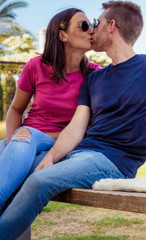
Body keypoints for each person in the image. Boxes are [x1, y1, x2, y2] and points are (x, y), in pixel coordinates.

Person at [0, 1, 146, 239]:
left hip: (113, 162)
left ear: (111, 26)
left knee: (38, 181)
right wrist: (51, 157)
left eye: (96, 23)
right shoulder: (94, 78)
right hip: (79, 154)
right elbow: (76, 127)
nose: (92, 29)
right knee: (15, 166)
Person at [0, 8, 100, 212]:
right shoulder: (36, 66)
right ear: (62, 34)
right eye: (83, 25)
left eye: (93, 24)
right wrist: (14, 144)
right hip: (23, 140)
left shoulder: (95, 74)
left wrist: (23, 140)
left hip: (59, 142)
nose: (91, 30)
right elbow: (16, 110)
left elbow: (90, 125)